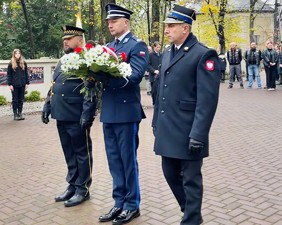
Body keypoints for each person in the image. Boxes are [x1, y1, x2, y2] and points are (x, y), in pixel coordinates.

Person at [152, 4, 220, 225]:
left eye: (171, 26)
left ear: (185, 28)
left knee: (190, 178)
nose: (166, 30)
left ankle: (191, 219)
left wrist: (199, 134)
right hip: (167, 126)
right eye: (166, 26)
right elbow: (161, 89)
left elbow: (207, 100)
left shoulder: (203, 55)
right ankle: (190, 210)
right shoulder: (168, 52)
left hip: (189, 128)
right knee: (169, 172)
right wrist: (156, 122)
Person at [97, 4, 148, 225]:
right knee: (114, 161)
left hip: (126, 112)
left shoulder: (137, 45)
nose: (110, 24)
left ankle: (131, 205)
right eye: (109, 21)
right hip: (109, 111)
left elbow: (135, 76)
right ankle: (118, 202)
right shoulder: (108, 46)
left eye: (114, 21)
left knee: (127, 161)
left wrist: (106, 76)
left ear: (125, 22)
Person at [41, 25, 97, 207]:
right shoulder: (62, 60)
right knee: (69, 153)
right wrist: (47, 105)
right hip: (61, 114)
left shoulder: (87, 59)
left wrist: (87, 114)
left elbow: (91, 90)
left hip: (76, 115)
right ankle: (72, 185)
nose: (64, 41)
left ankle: (83, 189)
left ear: (79, 39)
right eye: (64, 39)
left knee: (82, 153)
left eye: (69, 39)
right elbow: (53, 85)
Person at [7, 49, 29, 121]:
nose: (17, 54)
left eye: (19, 53)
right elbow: (9, 75)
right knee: (15, 100)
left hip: (22, 84)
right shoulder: (11, 63)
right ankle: (15, 114)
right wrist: (10, 84)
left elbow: (26, 73)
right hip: (14, 85)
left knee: (21, 99)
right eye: (16, 53)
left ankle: (20, 113)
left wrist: (27, 83)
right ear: (14, 54)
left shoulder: (23, 63)